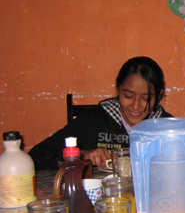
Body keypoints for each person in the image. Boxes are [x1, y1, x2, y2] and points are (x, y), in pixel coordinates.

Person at [29, 57, 173, 170]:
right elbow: (36, 156)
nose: (136, 106)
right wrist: (81, 155)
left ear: (159, 96)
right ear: (117, 90)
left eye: (146, 98)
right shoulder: (92, 120)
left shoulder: (168, 127)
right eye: (128, 96)